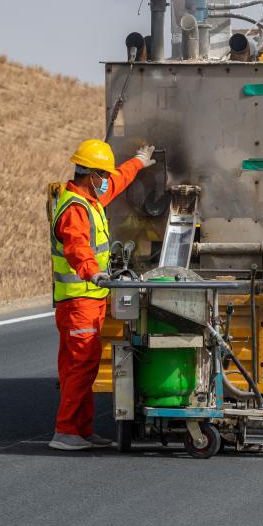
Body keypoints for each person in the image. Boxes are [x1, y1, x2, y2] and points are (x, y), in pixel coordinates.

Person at [48, 139, 155, 451]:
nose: (107, 179)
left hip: (88, 299)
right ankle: (66, 431)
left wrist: (137, 162)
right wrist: (91, 271)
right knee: (80, 366)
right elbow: (77, 246)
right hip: (79, 299)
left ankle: (80, 430)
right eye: (103, 174)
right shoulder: (75, 209)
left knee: (81, 366)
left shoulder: (91, 199)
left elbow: (118, 181)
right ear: (92, 175)